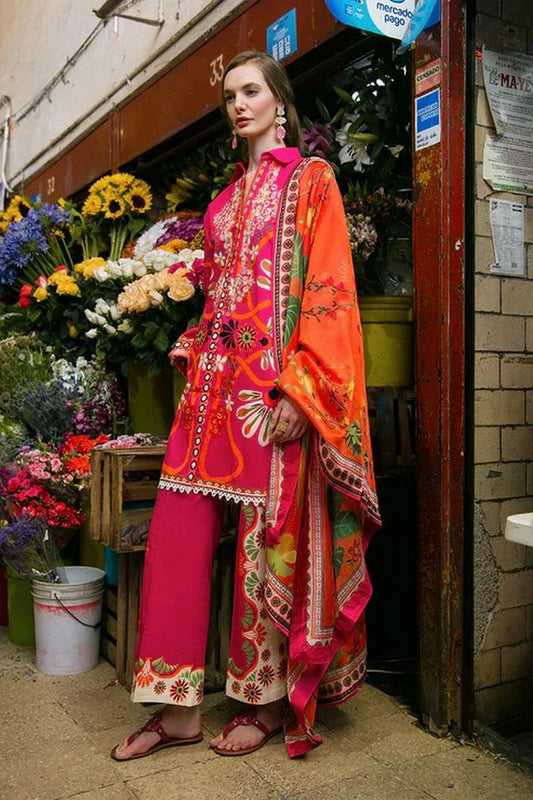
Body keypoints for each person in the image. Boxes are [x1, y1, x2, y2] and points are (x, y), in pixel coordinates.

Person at [112, 49, 380, 762]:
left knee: (265, 542)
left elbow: (329, 289)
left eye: (251, 91)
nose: (238, 104)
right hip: (208, 395)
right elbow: (219, 298)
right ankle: (174, 709)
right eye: (230, 94)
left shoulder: (310, 181)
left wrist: (301, 388)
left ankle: (259, 701)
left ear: (279, 101)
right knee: (176, 530)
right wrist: (192, 344)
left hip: (268, 396)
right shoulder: (222, 205)